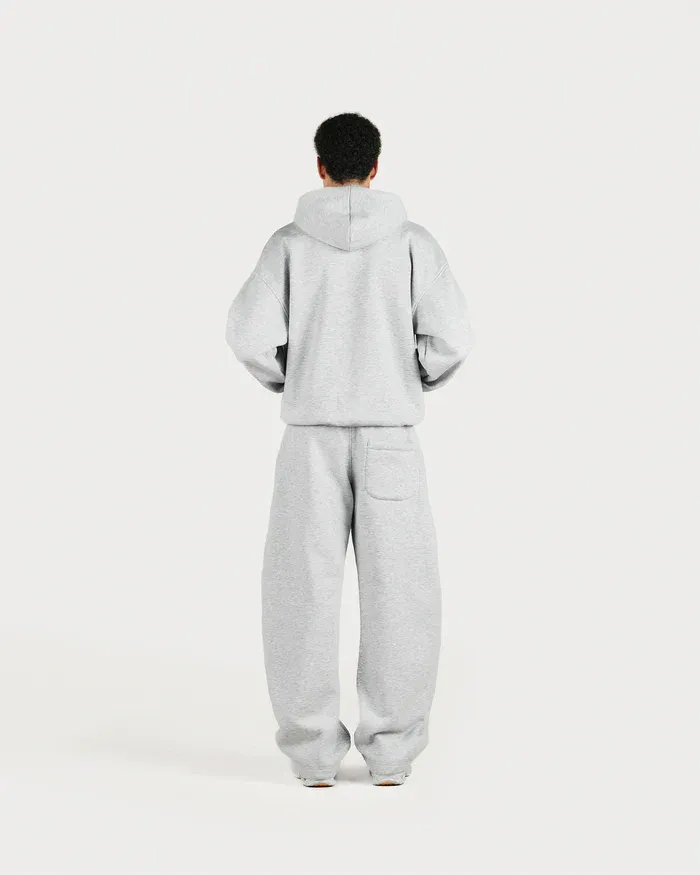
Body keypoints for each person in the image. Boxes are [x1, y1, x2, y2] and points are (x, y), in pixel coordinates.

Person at [226, 113, 474, 787]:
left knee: (299, 591)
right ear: (376, 166)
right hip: (391, 435)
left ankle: (311, 756)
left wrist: (292, 376)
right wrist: (410, 376)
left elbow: (247, 333)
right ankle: (392, 754)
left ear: (319, 166)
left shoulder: (287, 245)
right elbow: (452, 336)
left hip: (310, 436)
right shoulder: (414, 243)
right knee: (402, 593)